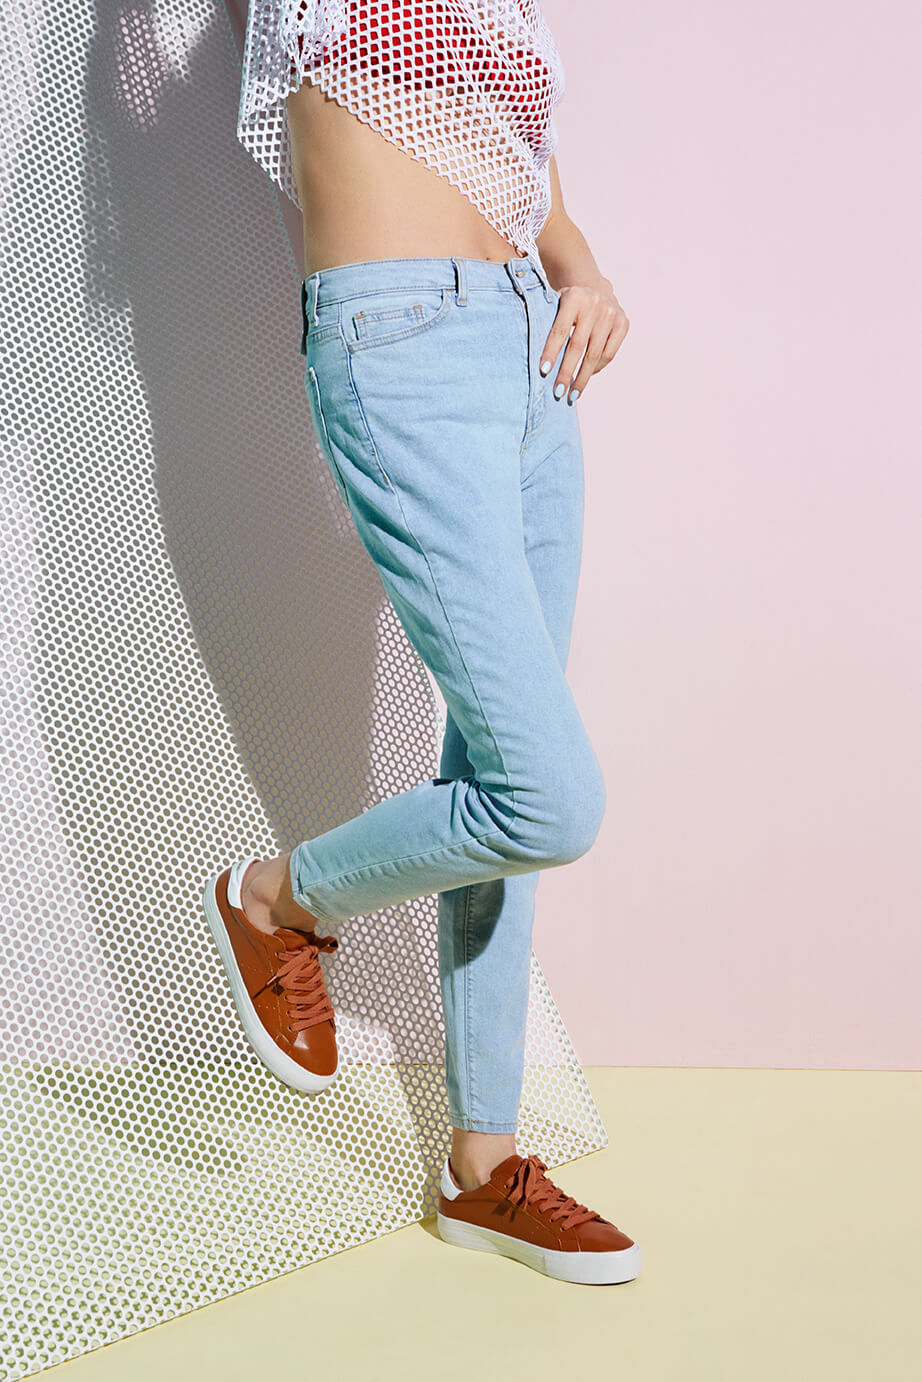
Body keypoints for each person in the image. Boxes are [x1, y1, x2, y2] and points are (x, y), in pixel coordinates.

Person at [202, 0, 640, 1286]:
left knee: (498, 775)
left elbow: (504, 136)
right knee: (549, 796)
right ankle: (276, 899)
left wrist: (580, 263)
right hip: (397, 338)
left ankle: (479, 1163)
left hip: (533, 347)